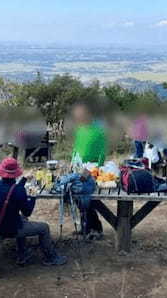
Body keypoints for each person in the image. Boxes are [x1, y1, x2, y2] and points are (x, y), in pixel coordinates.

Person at [0, 157, 66, 266]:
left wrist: (24, 180)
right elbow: (27, 212)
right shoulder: (19, 191)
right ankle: (51, 257)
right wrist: (33, 198)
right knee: (44, 227)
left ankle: (22, 253)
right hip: (9, 229)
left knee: (22, 219)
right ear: (15, 174)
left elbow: (12, 190)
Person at [71, 103, 105, 240]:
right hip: (79, 166)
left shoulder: (99, 130)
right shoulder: (80, 129)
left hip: (92, 167)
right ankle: (85, 227)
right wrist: (71, 161)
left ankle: (96, 229)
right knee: (79, 198)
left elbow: (102, 151)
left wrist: (99, 167)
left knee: (89, 199)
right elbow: (76, 148)